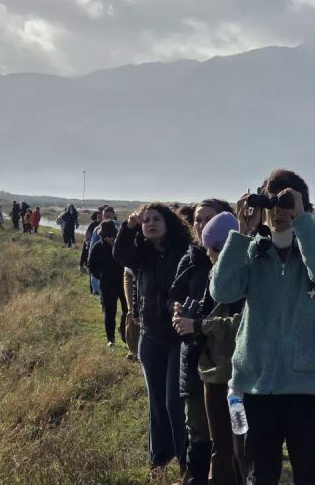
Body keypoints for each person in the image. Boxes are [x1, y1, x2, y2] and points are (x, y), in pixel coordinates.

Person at [210, 168, 315, 485]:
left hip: (308, 387)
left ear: (304, 208)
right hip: (257, 386)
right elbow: (222, 291)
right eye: (274, 205)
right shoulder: (253, 249)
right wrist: (242, 231)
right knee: (259, 477)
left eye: (287, 204)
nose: (279, 213)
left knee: (312, 476)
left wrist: (302, 221)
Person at [113, 203, 192, 481]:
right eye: (146, 221)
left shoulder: (183, 252)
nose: (150, 224)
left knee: (174, 403)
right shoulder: (141, 255)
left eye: (156, 219)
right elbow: (119, 253)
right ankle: (157, 462)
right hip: (151, 337)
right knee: (156, 404)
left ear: (168, 223)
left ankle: (186, 462)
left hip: (178, 339)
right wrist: (128, 226)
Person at [168, 199, 234, 485]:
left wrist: (198, 324)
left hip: (229, 366)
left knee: (232, 437)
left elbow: (240, 320)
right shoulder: (192, 258)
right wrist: (180, 311)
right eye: (197, 218)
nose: (201, 223)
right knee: (199, 429)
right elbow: (175, 295)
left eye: (209, 218)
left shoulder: (240, 267)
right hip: (197, 357)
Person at [197, 212, 247, 485]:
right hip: (216, 373)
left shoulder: (240, 276)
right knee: (227, 444)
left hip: (232, 378)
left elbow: (241, 322)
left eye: (212, 249)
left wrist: (199, 325)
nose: (209, 254)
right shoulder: (218, 273)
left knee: (232, 445)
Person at [87, 220, 127, 348]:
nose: (109, 238)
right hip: (107, 284)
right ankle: (111, 339)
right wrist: (101, 276)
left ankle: (123, 328)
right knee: (110, 312)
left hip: (124, 283)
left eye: (111, 236)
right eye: (106, 236)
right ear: (102, 236)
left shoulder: (121, 246)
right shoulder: (97, 247)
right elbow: (91, 265)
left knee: (127, 310)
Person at [88, 206, 118, 296]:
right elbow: (92, 245)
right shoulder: (98, 229)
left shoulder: (120, 226)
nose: (107, 217)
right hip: (101, 257)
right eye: (105, 215)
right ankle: (97, 291)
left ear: (113, 215)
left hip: (116, 259)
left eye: (109, 215)